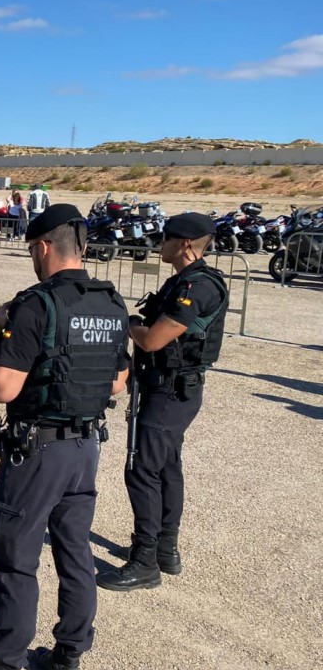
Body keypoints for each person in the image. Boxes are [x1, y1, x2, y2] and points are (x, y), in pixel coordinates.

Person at [0, 203, 129, 670]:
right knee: (75, 553)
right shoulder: (111, 303)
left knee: (16, 560)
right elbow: (118, 380)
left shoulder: (34, 305)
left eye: (32, 249)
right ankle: (68, 659)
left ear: (44, 247)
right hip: (86, 447)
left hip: (38, 450)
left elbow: (3, 388)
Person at [97, 213, 228, 592]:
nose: (161, 242)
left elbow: (153, 340)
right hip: (168, 388)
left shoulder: (198, 286)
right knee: (167, 467)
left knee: (141, 469)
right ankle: (165, 550)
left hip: (171, 391)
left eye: (167, 237)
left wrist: (129, 325)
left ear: (185, 244)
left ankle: (144, 560)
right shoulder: (186, 280)